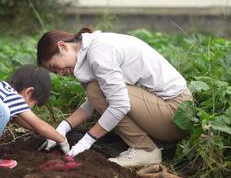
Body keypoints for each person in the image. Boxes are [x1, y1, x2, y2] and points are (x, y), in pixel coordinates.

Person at [37, 27, 193, 167]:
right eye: (55, 73)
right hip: (169, 111)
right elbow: (95, 102)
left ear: (62, 46)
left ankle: (146, 150)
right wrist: (62, 129)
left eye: (54, 66)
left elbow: (118, 104)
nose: (60, 73)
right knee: (97, 91)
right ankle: (146, 144)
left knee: (98, 91)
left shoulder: (99, 53)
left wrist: (87, 140)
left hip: (176, 114)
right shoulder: (92, 48)